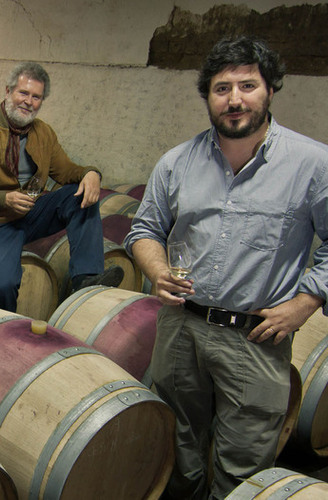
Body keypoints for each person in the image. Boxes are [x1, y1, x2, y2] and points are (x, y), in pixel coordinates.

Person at [124, 36, 328, 499]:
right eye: (222, 88)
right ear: (208, 96)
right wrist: (156, 269)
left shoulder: (313, 164)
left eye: (247, 85)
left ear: (270, 89)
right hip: (181, 326)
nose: (234, 99)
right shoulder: (177, 162)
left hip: (255, 337)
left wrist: (305, 302)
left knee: (243, 466)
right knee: (176, 453)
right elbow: (145, 230)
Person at [0, 62, 123, 312]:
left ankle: (86, 279)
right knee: (3, 285)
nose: (28, 102)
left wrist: (91, 173)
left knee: (77, 196)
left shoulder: (43, 133)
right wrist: (3, 199)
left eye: (36, 97)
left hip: (30, 214)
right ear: (8, 91)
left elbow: (66, 171)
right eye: (23, 93)